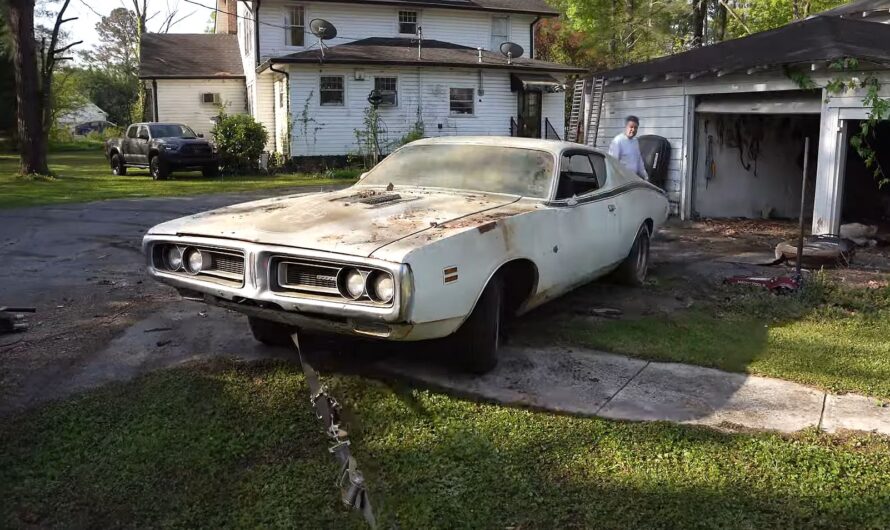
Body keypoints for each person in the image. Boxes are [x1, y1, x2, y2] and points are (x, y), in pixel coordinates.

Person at [608, 115, 649, 180]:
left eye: (635, 127)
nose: (633, 130)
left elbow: (639, 161)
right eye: (631, 127)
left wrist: (645, 176)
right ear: (626, 127)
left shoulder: (635, 141)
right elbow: (613, 163)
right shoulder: (618, 141)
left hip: (633, 178)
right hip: (621, 179)